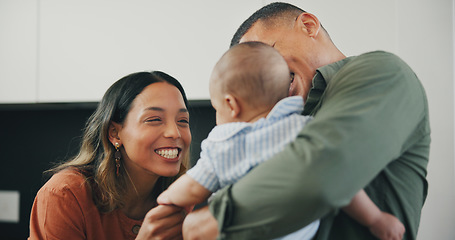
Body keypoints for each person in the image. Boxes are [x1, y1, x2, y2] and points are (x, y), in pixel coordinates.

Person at [182, 2, 430, 240]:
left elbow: (322, 174)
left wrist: (206, 222)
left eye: (268, 56)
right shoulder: (274, 127)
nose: (263, 79)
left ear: (309, 26)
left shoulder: (380, 71)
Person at [159, 42, 405, 240]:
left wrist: (168, 199)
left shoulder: (226, 142)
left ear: (231, 105)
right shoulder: (304, 128)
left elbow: (193, 186)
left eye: (216, 108)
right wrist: (375, 219)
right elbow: (343, 185)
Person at [28, 71, 192, 240]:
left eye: (183, 121)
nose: (175, 133)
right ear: (115, 133)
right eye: (154, 119)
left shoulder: (183, 198)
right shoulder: (64, 196)